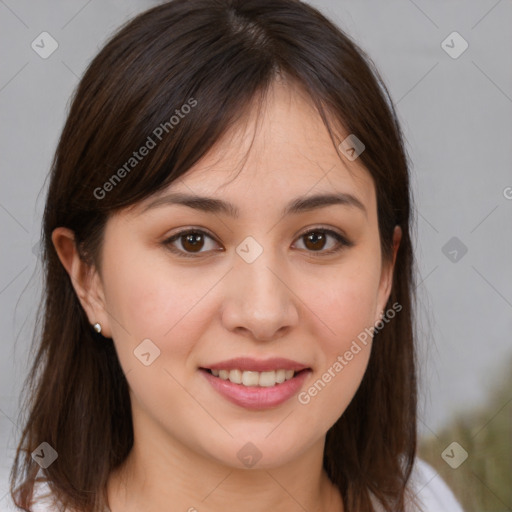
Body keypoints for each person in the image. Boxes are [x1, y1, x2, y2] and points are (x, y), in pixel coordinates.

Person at [9, 0, 465, 511]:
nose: (263, 313)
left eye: (317, 239)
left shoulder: (428, 501)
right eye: (192, 240)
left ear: (386, 273)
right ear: (87, 277)